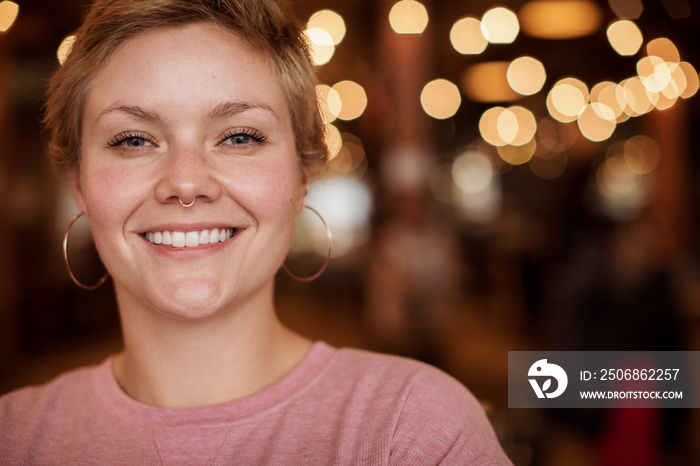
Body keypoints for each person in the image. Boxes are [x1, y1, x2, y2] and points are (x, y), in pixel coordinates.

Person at [0, 0, 512, 464]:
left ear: (303, 174)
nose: (185, 182)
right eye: (133, 140)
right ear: (79, 182)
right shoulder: (14, 438)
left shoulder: (413, 431)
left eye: (239, 136)